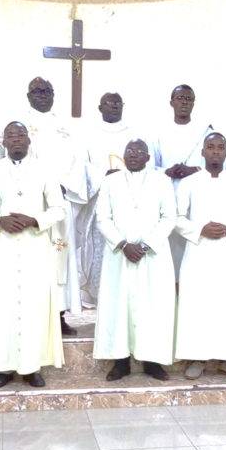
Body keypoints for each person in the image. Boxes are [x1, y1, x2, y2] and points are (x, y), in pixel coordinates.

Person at [0, 122, 66, 388]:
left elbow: (59, 208)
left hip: (35, 247)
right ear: (4, 142)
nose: (16, 139)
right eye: (11, 135)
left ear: (29, 140)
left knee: (34, 306)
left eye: (21, 135)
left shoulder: (44, 169)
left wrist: (34, 220)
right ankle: (3, 368)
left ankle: (32, 367)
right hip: (2, 246)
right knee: (2, 306)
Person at [175, 133, 226, 380]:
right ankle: (195, 359)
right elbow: (176, 217)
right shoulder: (188, 182)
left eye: (221, 147)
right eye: (210, 147)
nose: (216, 151)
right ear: (203, 152)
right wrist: (200, 230)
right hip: (197, 253)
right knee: (196, 305)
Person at [94, 139, 176, 382]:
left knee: (153, 307)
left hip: (153, 255)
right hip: (119, 255)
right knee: (118, 308)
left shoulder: (162, 180)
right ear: (123, 155)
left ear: (148, 158)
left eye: (139, 151)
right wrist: (123, 244)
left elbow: (169, 217)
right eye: (129, 151)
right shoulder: (110, 181)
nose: (133, 154)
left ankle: (153, 363)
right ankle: (120, 363)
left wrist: (145, 245)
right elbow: (102, 218)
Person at [20, 77, 87, 335]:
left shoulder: (67, 127)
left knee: (61, 255)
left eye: (47, 91)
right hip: (32, 204)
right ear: (28, 96)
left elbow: (80, 161)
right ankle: (33, 315)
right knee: (32, 258)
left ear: (53, 94)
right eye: (37, 91)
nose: (42, 95)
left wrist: (65, 187)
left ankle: (59, 316)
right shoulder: (19, 125)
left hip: (61, 202)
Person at [79, 92, 137, 307]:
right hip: (100, 198)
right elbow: (82, 165)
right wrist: (104, 174)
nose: (114, 106)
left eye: (117, 103)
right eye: (109, 103)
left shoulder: (134, 133)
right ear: (100, 107)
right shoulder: (89, 134)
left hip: (129, 201)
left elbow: (144, 164)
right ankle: (101, 297)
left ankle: (125, 297)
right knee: (102, 248)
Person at [151, 85, 213, 282]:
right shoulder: (158, 132)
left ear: (193, 103)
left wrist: (194, 170)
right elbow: (149, 167)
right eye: (180, 98)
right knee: (169, 246)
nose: (184, 102)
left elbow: (219, 164)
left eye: (188, 99)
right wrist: (167, 172)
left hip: (198, 195)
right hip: (166, 193)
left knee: (194, 242)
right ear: (171, 102)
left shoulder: (205, 131)